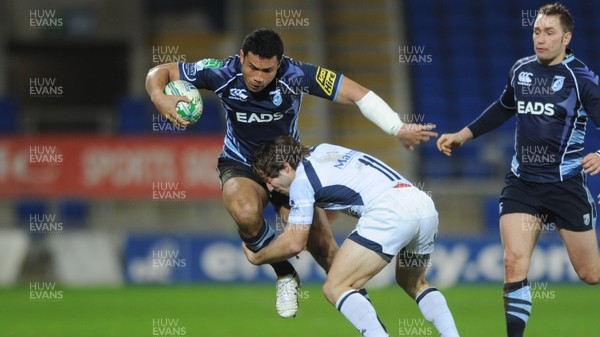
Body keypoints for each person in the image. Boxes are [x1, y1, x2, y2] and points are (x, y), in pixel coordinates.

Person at [146, 28, 437, 318]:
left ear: (280, 63)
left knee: (327, 254)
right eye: (252, 67)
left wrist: (397, 128)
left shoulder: (297, 74)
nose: (259, 76)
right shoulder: (220, 72)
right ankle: (285, 274)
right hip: (242, 162)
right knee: (245, 212)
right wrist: (159, 97)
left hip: (289, 167)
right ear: (241, 57)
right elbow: (160, 72)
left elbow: (357, 94)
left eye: (267, 69)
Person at [437, 3, 600, 337]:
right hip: (522, 183)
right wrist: (463, 135)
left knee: (591, 275)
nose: (541, 39)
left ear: (567, 38)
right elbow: (503, 106)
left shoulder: (583, 80)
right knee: (513, 261)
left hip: (565, 187)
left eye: (549, 33)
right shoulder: (521, 70)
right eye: (537, 32)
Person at [243, 135, 475, 337]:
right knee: (413, 282)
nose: (270, 188)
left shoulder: (301, 181)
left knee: (335, 287)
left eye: (269, 180)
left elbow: (294, 243)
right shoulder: (323, 149)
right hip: (422, 205)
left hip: (389, 211)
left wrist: (257, 257)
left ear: (285, 167)